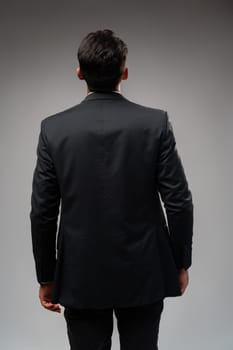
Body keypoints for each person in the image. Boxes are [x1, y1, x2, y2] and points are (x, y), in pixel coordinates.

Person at [30, 28, 194, 350]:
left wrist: (46, 275)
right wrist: (180, 262)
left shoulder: (54, 129)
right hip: (145, 269)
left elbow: (43, 213)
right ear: (125, 71)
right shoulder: (154, 123)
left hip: (80, 274)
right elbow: (179, 202)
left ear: (79, 73)